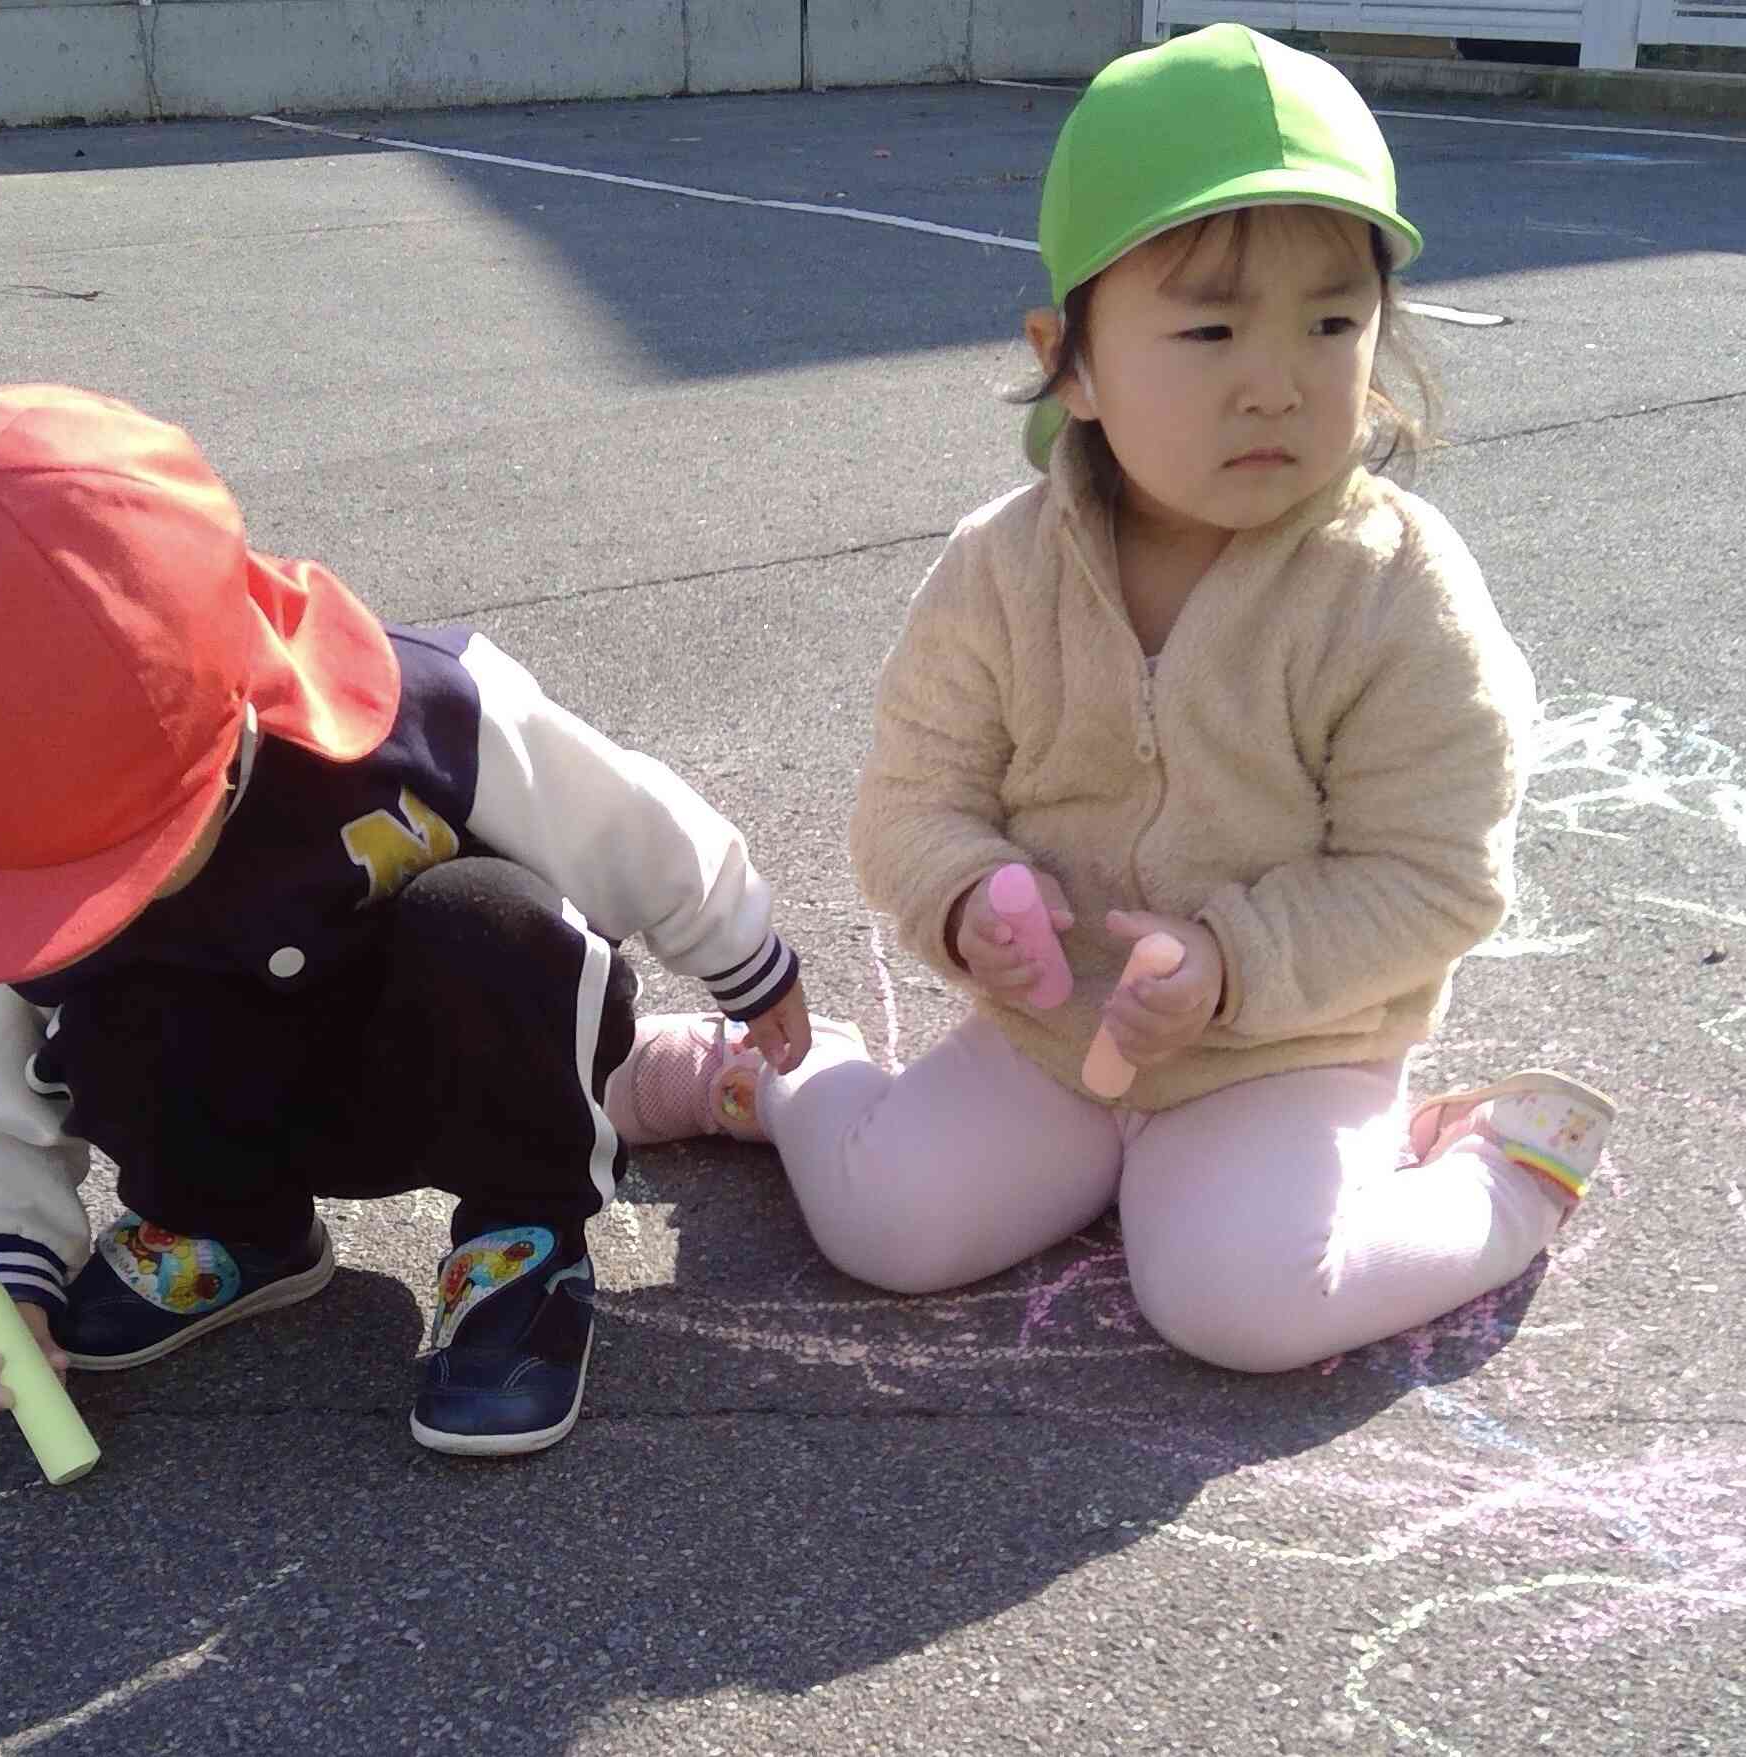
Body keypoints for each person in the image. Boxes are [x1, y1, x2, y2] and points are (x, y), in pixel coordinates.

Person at [601, 26, 1616, 1374]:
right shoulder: (1001, 567)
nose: (1276, 381)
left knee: (1239, 1301)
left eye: (1331, 322)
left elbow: (1434, 874)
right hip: (1051, 1029)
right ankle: (770, 1073)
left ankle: (1496, 1171)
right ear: (1069, 360)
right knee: (889, 1224)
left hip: (1286, 1046)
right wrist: (966, 895)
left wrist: (1230, 967)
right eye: (1210, 328)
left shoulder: (1394, 590)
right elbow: (912, 797)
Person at [0, 383, 812, 1455]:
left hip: (431, 1071)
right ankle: (231, 1228)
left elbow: (617, 815)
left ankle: (521, 1239)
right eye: (41, 887)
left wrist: (741, 951)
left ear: (228, 722)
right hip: (220, 1110)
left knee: (492, 920)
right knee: (117, 988)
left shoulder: (421, 710)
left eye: (115, 860)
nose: (78, 898)